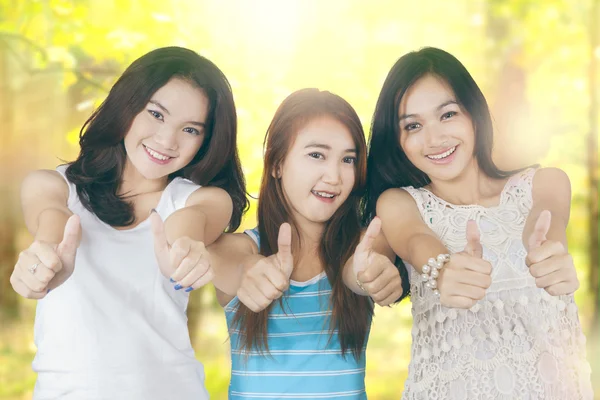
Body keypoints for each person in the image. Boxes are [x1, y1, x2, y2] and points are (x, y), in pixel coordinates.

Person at [10, 46, 248, 400]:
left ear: (206, 141)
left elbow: (191, 221)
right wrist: (44, 256)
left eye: (191, 129)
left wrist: (183, 246)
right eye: (156, 114)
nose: (167, 140)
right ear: (127, 106)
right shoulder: (53, 186)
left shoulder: (198, 199)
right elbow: (52, 219)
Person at [364, 47, 593, 399]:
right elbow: (414, 238)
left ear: (474, 113)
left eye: (448, 114)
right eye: (413, 125)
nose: (435, 138)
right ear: (398, 140)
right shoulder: (400, 202)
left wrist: (549, 251)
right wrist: (440, 268)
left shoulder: (543, 183)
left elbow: (546, 222)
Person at [208, 88, 404, 399]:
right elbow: (231, 263)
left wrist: (372, 273)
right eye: (317, 155)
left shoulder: (366, 243)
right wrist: (251, 270)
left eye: (348, 159)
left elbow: (359, 270)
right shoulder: (239, 248)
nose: (334, 176)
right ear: (277, 164)